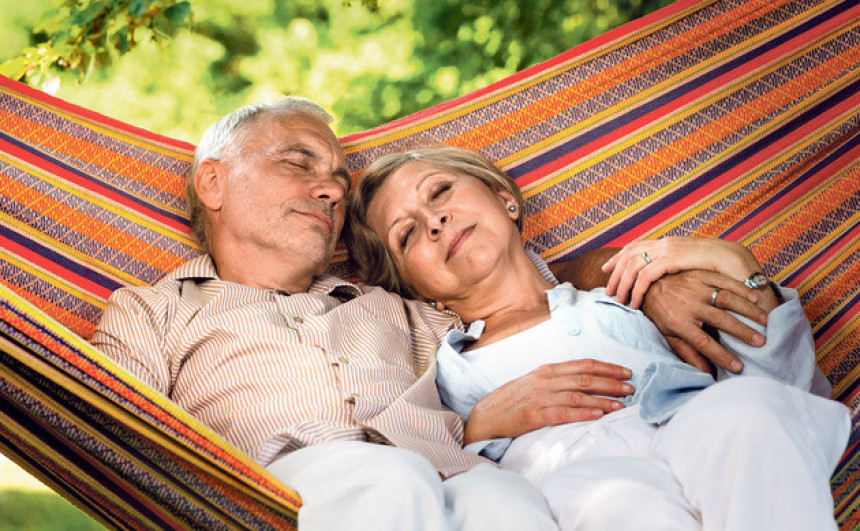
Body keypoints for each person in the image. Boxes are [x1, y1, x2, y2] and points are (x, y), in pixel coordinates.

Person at [92, 98, 773, 530]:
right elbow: (107, 427)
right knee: (390, 477)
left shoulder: (400, 306)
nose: (328, 187)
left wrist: (644, 279)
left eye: (335, 179)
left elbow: (512, 286)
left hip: (452, 473)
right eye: (299, 163)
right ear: (211, 180)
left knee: (509, 504)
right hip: (268, 488)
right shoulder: (155, 310)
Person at [346, 145, 851, 530]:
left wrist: (736, 263)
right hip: (572, 472)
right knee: (619, 503)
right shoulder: (445, 363)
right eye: (406, 235)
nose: (434, 221)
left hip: (685, 424)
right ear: (413, 287)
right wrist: (479, 429)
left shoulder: (628, 296)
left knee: (752, 412)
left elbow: (784, 388)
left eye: (439, 193)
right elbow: (435, 473)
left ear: (506, 200)